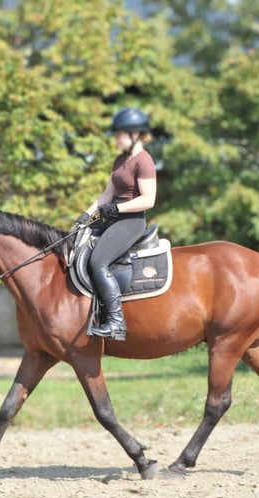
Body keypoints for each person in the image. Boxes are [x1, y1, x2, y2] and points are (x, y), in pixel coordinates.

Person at [75, 108, 157, 341]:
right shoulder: (120, 160)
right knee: (76, 247)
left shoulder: (144, 161)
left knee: (98, 261)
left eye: (120, 134)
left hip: (131, 221)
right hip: (112, 217)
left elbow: (148, 199)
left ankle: (115, 323)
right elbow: (106, 194)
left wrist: (118, 208)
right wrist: (86, 216)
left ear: (136, 135)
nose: (116, 139)